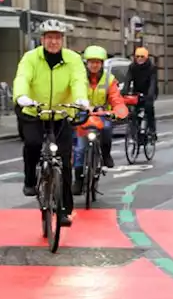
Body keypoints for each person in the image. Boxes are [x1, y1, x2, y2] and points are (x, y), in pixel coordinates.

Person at [13, 19, 90, 227]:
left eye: (57, 38)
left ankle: (64, 210)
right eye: (49, 38)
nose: (53, 42)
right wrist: (21, 97)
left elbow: (78, 81)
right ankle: (30, 180)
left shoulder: (73, 59)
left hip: (60, 114)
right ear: (42, 39)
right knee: (32, 143)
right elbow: (22, 78)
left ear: (62, 40)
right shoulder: (30, 58)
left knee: (64, 162)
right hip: (34, 111)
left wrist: (81, 100)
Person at [73, 45, 128, 194]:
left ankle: (105, 154)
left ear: (102, 63)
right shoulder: (78, 78)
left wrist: (119, 111)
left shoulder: (109, 80)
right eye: (91, 62)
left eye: (98, 62)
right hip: (83, 115)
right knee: (79, 148)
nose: (94, 65)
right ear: (86, 63)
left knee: (107, 128)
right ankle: (78, 180)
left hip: (101, 114)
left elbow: (116, 98)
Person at [125, 46, 158, 140]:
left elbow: (153, 82)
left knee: (148, 107)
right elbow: (128, 79)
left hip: (149, 91)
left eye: (142, 57)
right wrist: (124, 92)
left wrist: (150, 95)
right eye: (137, 56)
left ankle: (152, 130)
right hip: (137, 91)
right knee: (133, 111)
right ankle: (135, 130)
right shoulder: (132, 67)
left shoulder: (151, 68)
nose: (139, 59)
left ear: (146, 57)